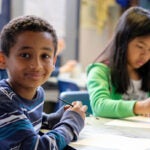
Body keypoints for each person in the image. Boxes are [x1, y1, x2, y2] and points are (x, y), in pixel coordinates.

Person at [0, 15, 87, 149]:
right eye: (25, 55)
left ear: (53, 61)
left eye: (45, 56)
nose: (37, 65)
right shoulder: (3, 101)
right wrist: (71, 123)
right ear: (2, 60)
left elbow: (26, 122)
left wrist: (55, 118)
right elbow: (38, 147)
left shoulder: (38, 92)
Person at [87, 6, 150, 119]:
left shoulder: (146, 72)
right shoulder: (100, 71)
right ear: (123, 41)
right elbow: (99, 106)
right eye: (140, 47)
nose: (145, 55)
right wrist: (140, 106)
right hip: (110, 134)